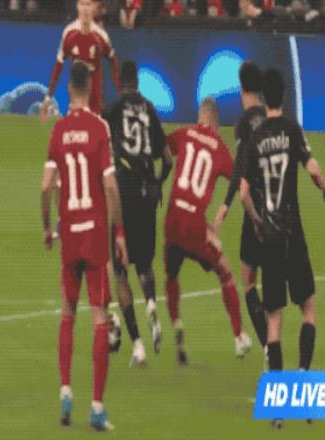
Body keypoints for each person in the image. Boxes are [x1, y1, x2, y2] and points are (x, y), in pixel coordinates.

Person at [239, 67, 325, 429]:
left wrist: (257, 220)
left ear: (264, 97)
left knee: (273, 318)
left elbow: (244, 192)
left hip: (270, 237)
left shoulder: (256, 136)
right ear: (285, 95)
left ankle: (278, 408)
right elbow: (313, 169)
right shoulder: (292, 130)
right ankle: (303, 382)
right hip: (293, 233)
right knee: (308, 307)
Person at [41, 62, 128, 431]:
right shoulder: (99, 127)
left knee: (67, 313)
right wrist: (119, 231)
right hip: (94, 235)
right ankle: (96, 407)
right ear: (91, 86)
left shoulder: (59, 130)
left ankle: (65, 393)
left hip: (70, 234)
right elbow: (109, 185)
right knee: (99, 317)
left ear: (68, 89)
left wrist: (48, 227)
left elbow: (46, 186)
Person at [164, 98, 252, 365]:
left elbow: (164, 148)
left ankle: (177, 323)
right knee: (225, 272)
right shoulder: (219, 147)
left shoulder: (185, 133)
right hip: (194, 226)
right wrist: (223, 210)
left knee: (171, 275)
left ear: (200, 117)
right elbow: (239, 178)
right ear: (215, 121)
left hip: (172, 221)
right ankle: (238, 336)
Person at [103, 61, 172, 366]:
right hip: (148, 193)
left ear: (120, 81)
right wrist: (157, 183)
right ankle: (152, 304)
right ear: (138, 82)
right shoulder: (149, 109)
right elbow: (167, 159)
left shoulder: (114, 108)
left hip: (125, 191)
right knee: (144, 263)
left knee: (120, 271)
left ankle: (138, 345)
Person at [213, 62, 268, 360]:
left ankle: (269, 348)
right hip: (279, 206)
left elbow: (240, 168)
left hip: (254, 206)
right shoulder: (273, 118)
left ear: (242, 89)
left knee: (248, 282)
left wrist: (225, 205)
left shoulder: (243, 124)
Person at [41, 0, 121, 117]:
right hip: (76, 99)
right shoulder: (69, 33)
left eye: (88, 4)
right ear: (77, 6)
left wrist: (120, 92)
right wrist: (49, 96)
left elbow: (113, 63)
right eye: (82, 4)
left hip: (95, 100)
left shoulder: (101, 36)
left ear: (94, 8)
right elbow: (58, 65)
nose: (85, 9)